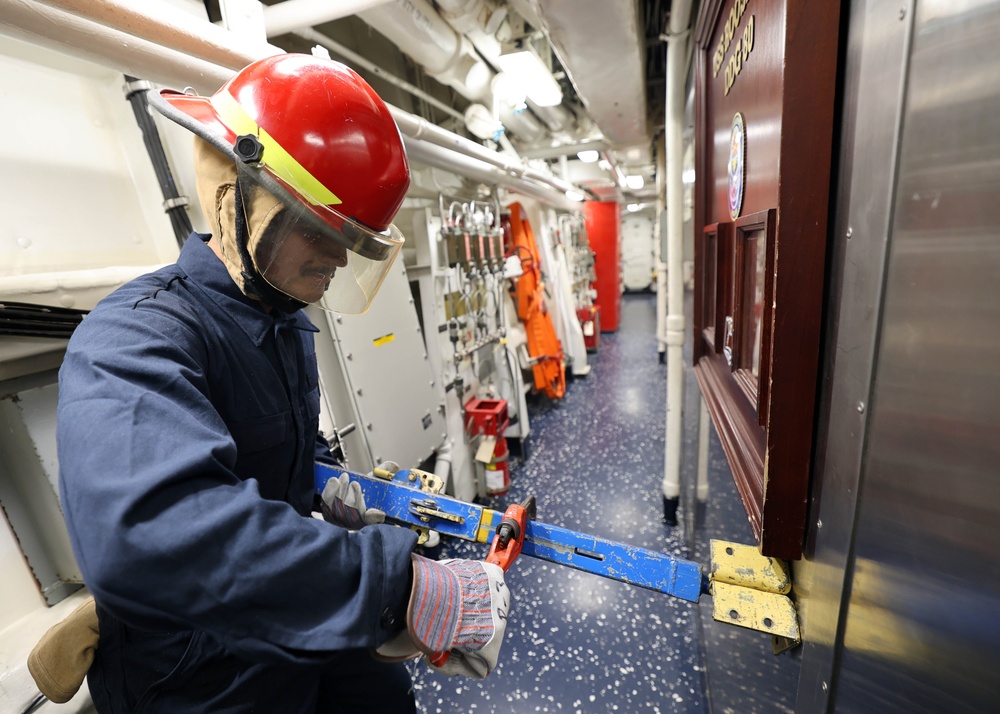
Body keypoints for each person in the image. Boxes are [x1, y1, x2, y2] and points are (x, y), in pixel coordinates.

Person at [55, 54, 510, 713]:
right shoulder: (135, 335)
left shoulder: (284, 317)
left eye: (350, 239)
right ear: (235, 198)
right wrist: (400, 584)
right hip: (201, 670)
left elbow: (276, 445)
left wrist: (326, 482)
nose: (337, 257)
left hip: (296, 614)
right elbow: (149, 534)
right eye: (317, 228)